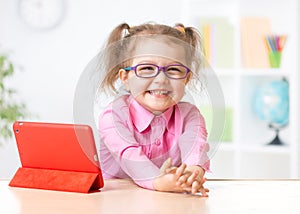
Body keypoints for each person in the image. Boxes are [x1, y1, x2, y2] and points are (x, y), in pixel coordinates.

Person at [98, 22, 210, 196]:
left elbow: (196, 148)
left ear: (186, 79)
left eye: (173, 69)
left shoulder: (190, 115)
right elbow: (129, 155)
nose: (161, 79)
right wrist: (158, 181)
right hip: (117, 201)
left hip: (171, 203)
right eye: (147, 68)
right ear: (125, 77)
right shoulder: (113, 115)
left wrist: (190, 175)